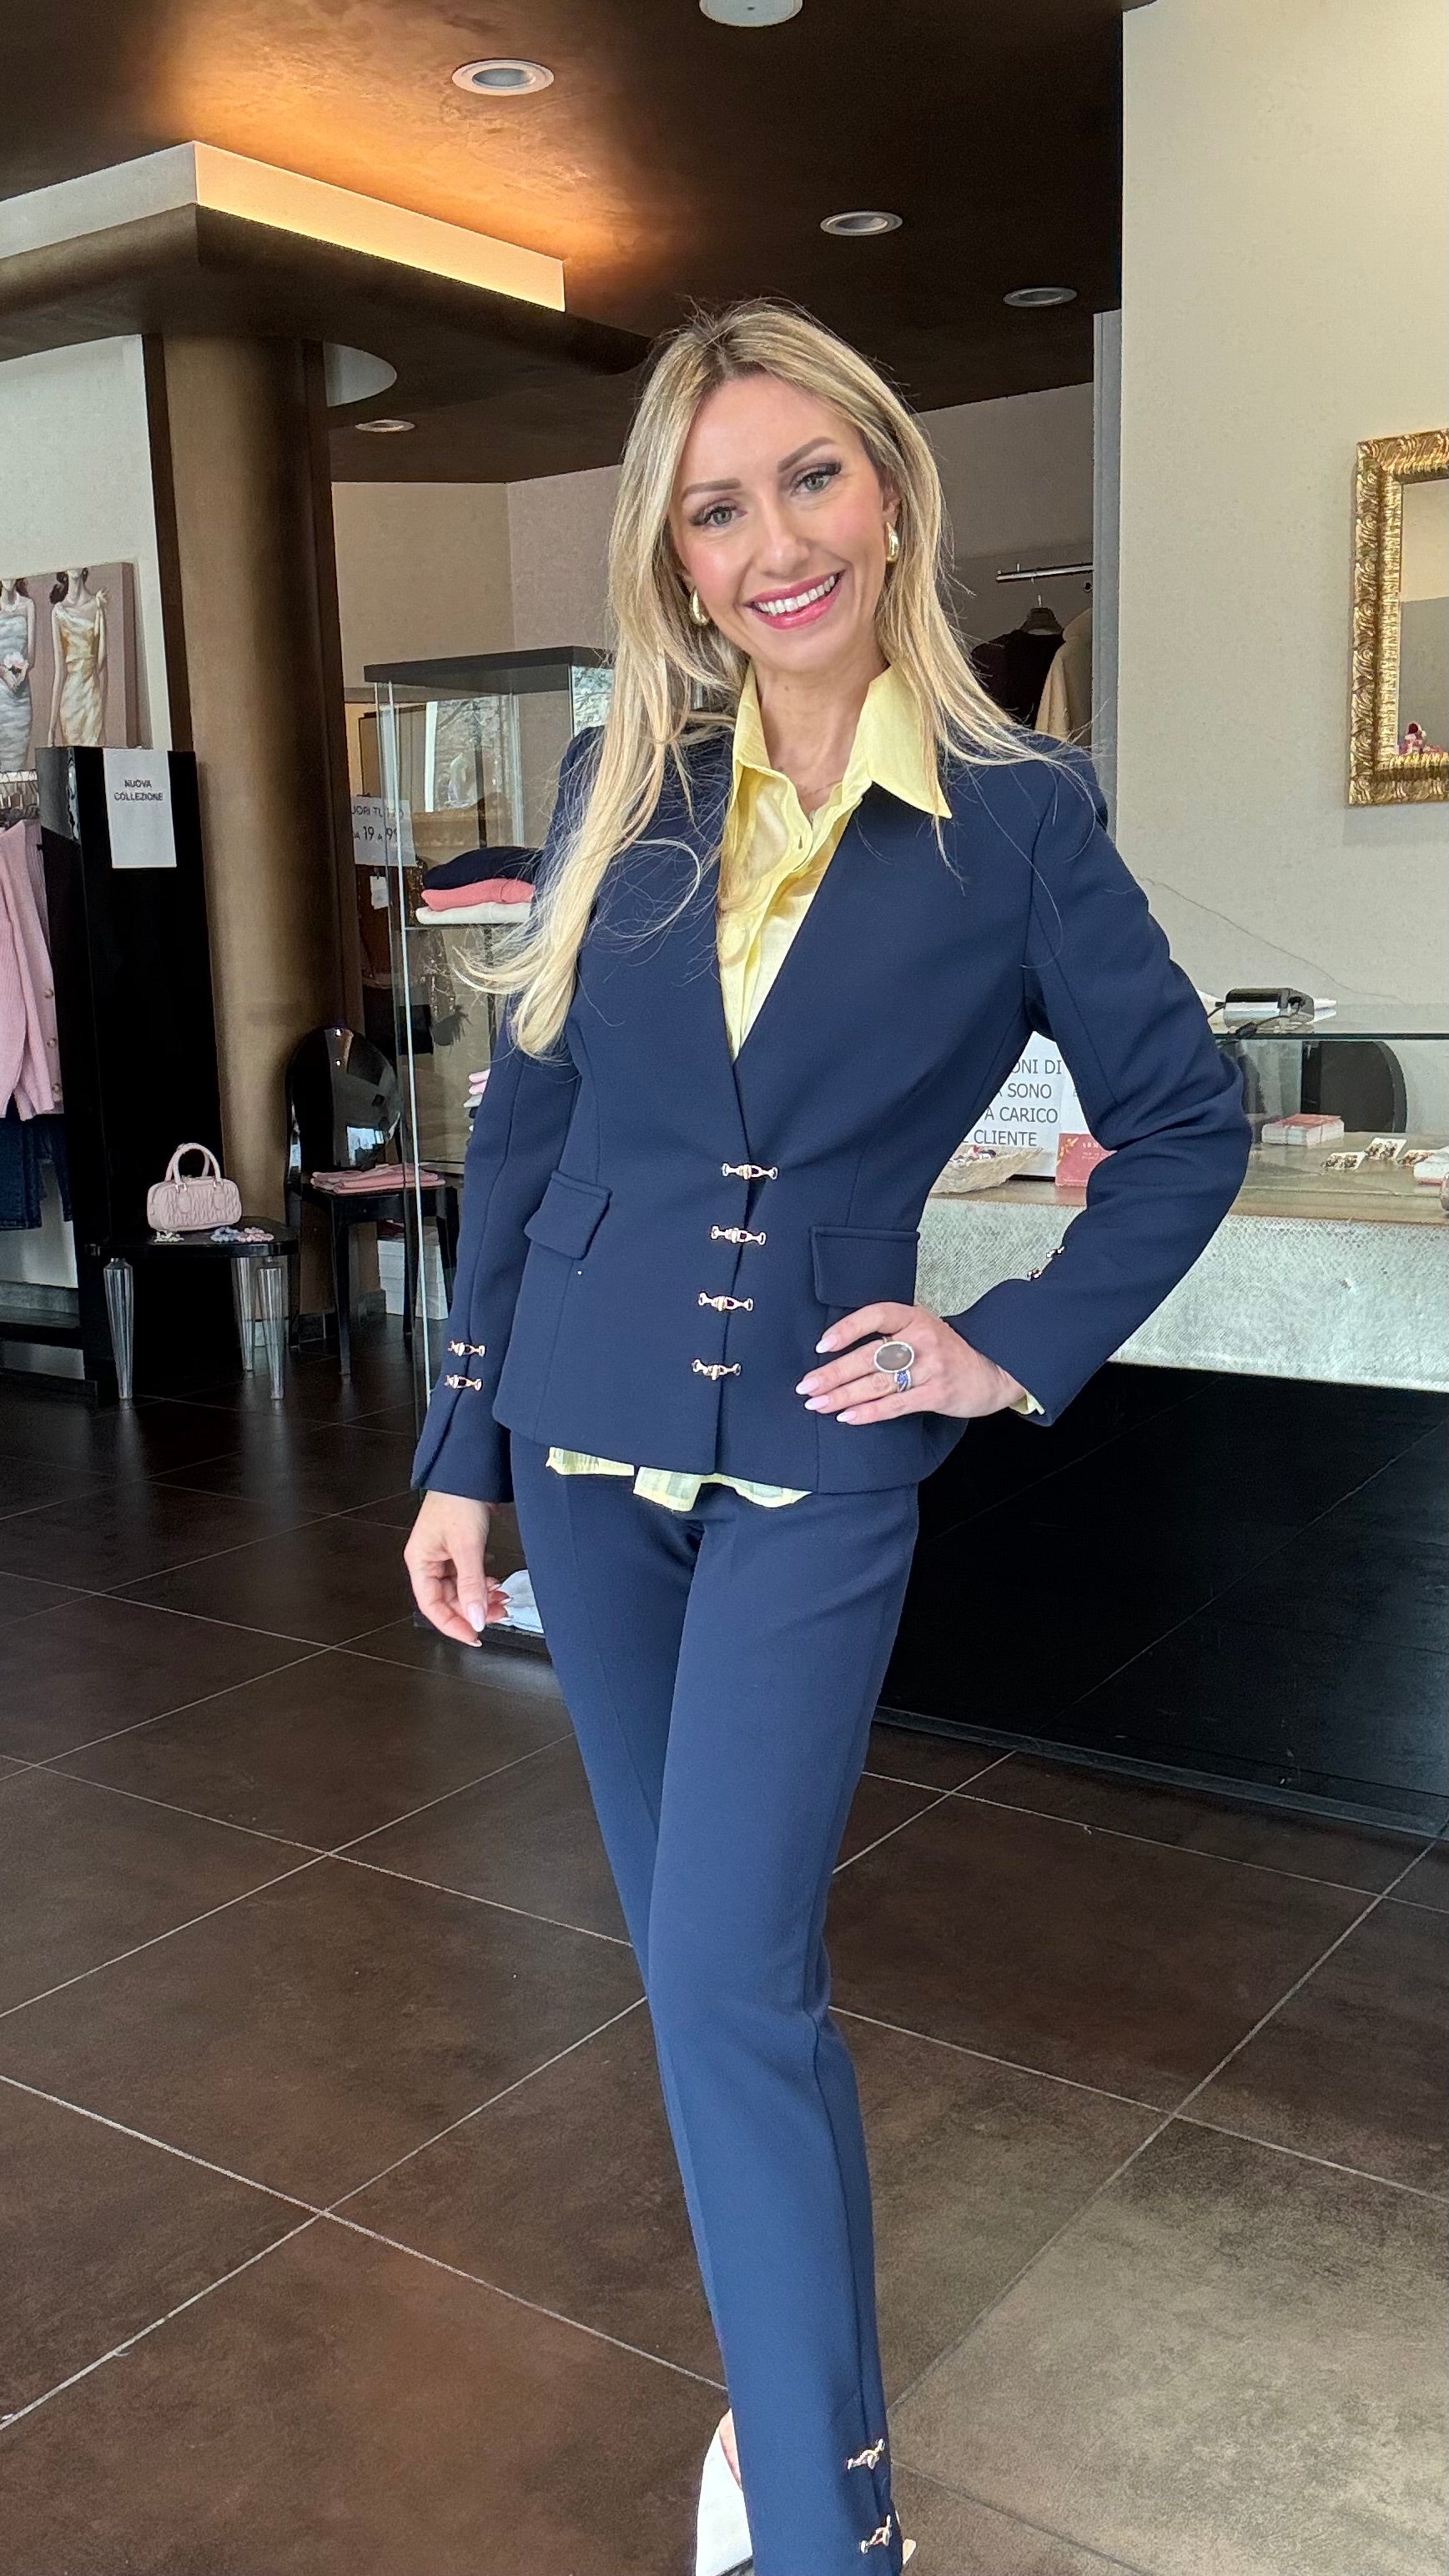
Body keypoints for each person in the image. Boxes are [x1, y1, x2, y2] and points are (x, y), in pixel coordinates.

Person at [405, 299, 1250, 2576]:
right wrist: (459, 1449)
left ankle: (823, 2524)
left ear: (888, 493)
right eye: (716, 509)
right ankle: (798, 2441)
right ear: (670, 556)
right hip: (584, 1451)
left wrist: (1004, 1346)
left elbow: (1187, 1118)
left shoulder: (1016, 818)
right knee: (705, 1989)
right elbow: (528, 1135)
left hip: (814, 1459)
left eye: (808, 480)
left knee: (727, 1978)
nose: (773, 545)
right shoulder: (623, 789)